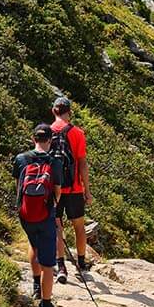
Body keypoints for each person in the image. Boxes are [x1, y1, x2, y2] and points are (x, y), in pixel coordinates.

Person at [13, 124, 62, 307]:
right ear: (50, 140)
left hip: (26, 214)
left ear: (34, 139)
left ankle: (35, 284)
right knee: (48, 262)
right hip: (46, 213)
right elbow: (57, 191)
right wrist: (53, 207)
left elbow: (18, 187)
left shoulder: (21, 159)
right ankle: (46, 303)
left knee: (33, 245)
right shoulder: (55, 162)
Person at [50, 96, 92, 284]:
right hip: (74, 188)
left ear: (54, 111)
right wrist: (87, 190)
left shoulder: (46, 132)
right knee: (79, 226)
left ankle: (61, 266)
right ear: (69, 112)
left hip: (54, 189)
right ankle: (81, 263)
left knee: (57, 226)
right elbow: (82, 163)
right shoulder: (78, 133)